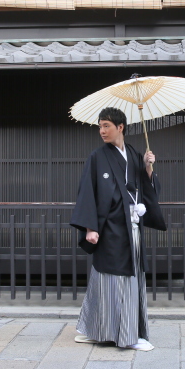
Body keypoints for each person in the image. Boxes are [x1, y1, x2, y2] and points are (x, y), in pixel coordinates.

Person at [70, 107, 166, 351]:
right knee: (111, 280)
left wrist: (147, 167)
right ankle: (125, 336)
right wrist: (90, 227)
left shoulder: (133, 153)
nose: (102, 131)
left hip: (131, 225)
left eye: (106, 126)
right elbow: (87, 192)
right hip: (109, 227)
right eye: (100, 126)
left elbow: (143, 188)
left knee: (130, 277)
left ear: (120, 127)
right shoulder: (97, 156)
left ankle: (106, 330)